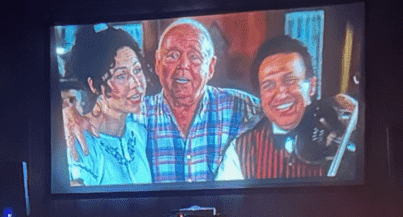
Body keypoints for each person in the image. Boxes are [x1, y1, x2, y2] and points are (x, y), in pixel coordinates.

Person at [65, 18, 260, 183]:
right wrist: (66, 114)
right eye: (173, 56)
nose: (183, 66)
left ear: (210, 67)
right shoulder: (138, 117)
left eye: (194, 57)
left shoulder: (243, 108)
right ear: (158, 63)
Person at [216, 35, 357, 181]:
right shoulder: (240, 150)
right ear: (261, 97)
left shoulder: (340, 127)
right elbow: (229, 202)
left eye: (290, 80)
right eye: (268, 85)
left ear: (312, 87)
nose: (281, 93)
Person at [64, 26, 151, 187]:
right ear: (94, 85)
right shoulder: (79, 142)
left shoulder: (140, 134)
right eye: (121, 76)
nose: (136, 83)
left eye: (137, 70)